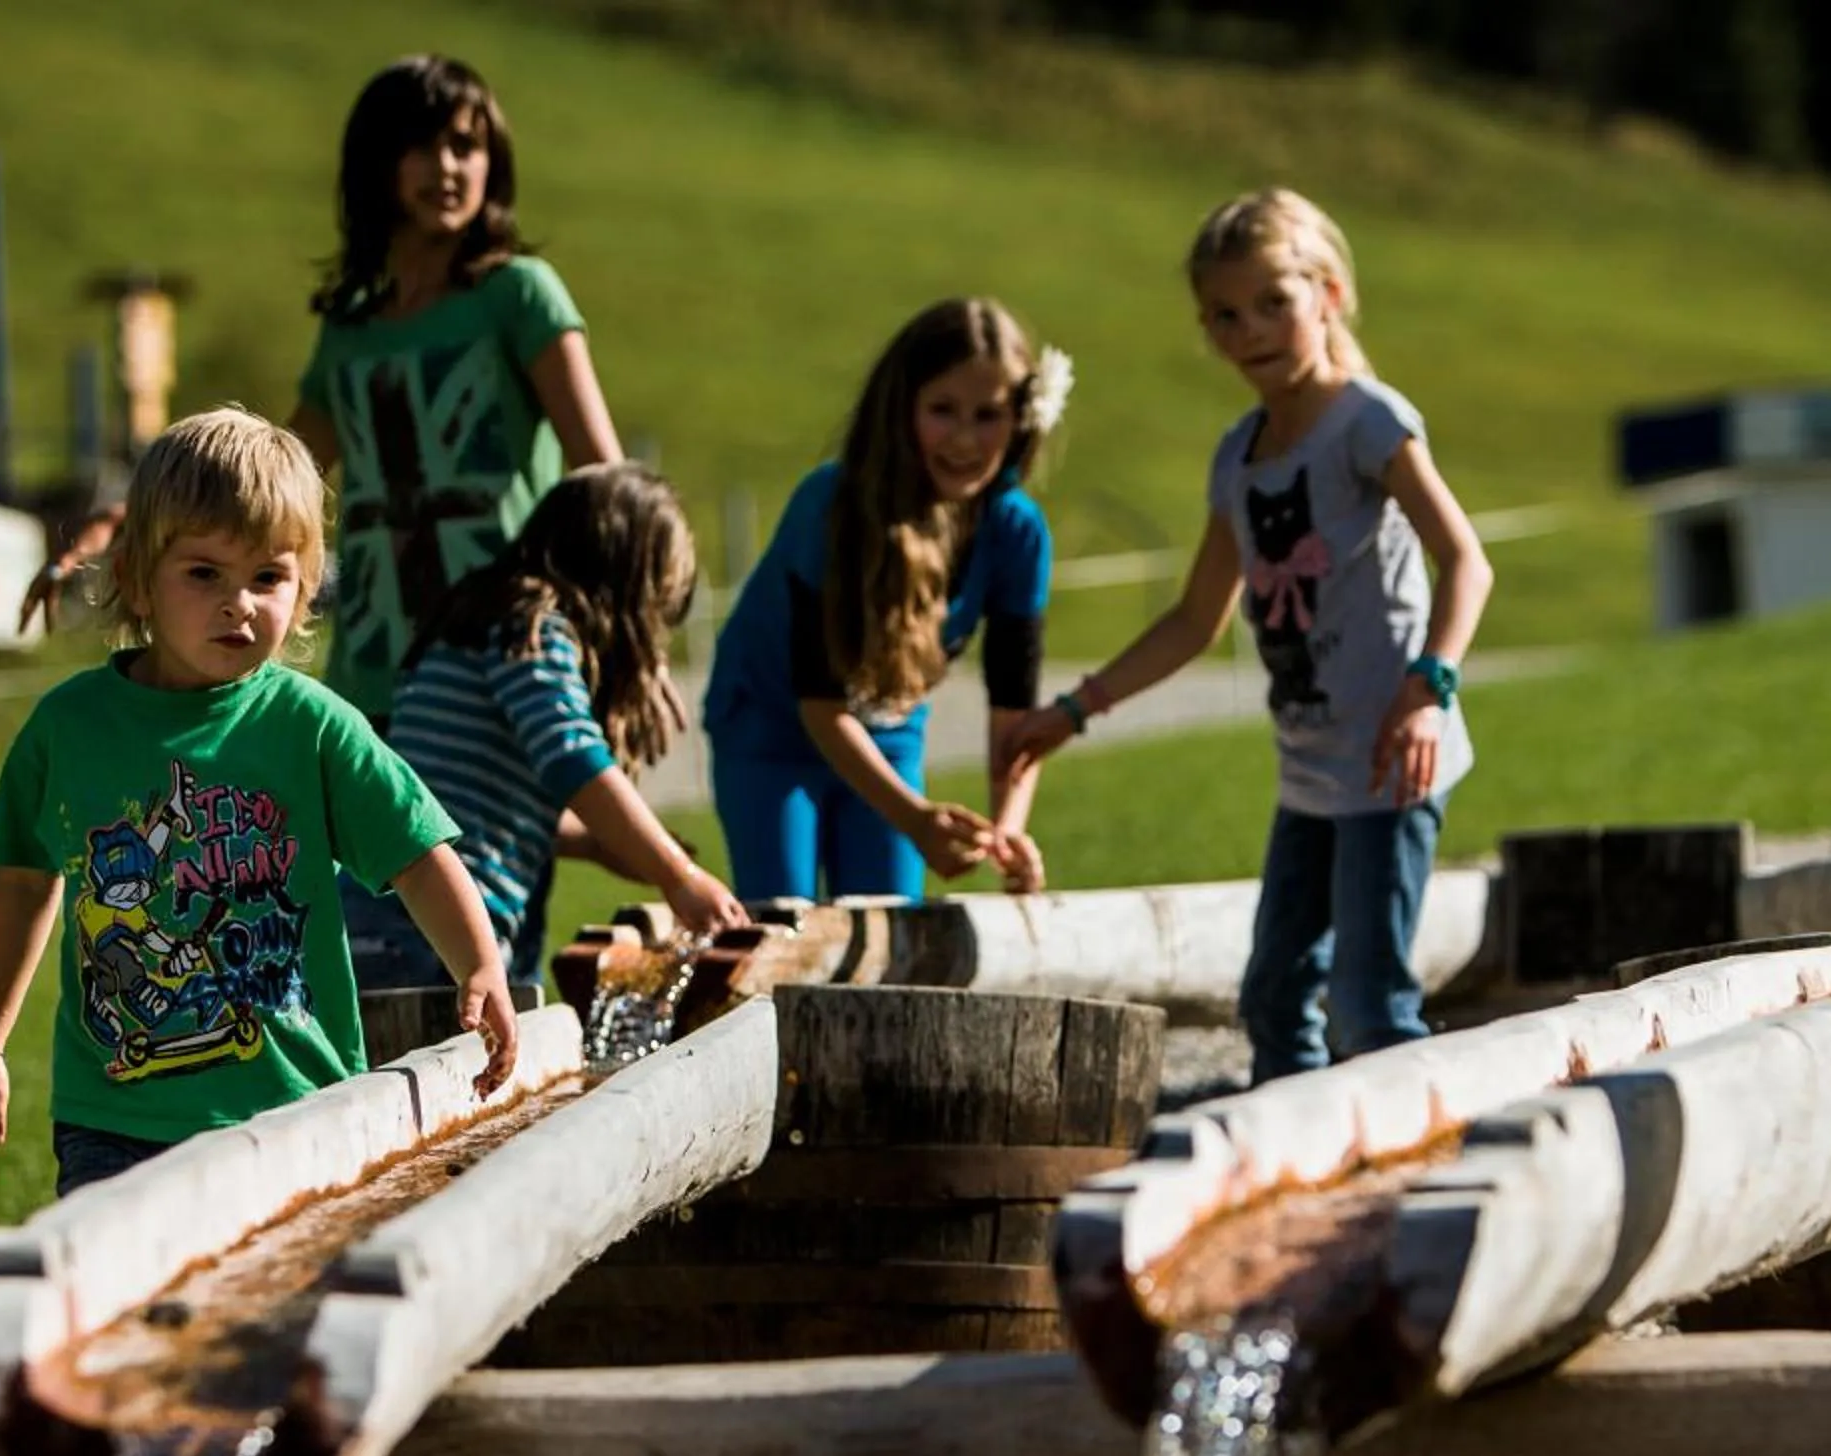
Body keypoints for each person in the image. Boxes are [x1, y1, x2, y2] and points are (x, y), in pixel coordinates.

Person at [0, 407, 516, 1456]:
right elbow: (24, 882)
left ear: (308, 589)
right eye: (205, 573)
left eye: (270, 578)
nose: (239, 604)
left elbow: (421, 849)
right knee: (121, 1363)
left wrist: (481, 965)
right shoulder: (67, 732)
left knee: (281, 1369)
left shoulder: (310, 729)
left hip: (289, 1128)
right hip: (118, 1119)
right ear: (135, 579)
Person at [17, 56, 623, 956]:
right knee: (359, 935)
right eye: (421, 146)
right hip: (374, 661)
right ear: (375, 167)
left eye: (467, 144)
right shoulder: (352, 329)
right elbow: (269, 474)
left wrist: (613, 646)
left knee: (479, 926)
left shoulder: (518, 297)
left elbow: (600, 486)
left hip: (491, 661)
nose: (448, 167)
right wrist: (127, 518)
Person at [997, 190, 1494, 1083]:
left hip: (1391, 766)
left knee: (1370, 1003)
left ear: (1329, 294)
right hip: (1308, 773)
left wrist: (1431, 689)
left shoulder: (1366, 422)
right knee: (1273, 998)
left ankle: (1415, 1177)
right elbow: (1195, 619)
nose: (1251, 330)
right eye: (1225, 315)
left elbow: (1466, 561)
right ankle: (1288, 1164)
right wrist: (1072, 711)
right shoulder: (1240, 456)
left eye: (1274, 302)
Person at [702, 298, 1067, 903]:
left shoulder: (1017, 532)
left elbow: (1013, 713)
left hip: (888, 735)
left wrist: (1007, 833)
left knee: (893, 928)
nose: (966, 439)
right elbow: (819, 704)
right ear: (901, 410)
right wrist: (917, 818)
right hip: (772, 732)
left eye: (989, 415)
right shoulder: (829, 506)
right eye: (942, 411)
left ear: (1022, 419)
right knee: (784, 921)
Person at [355, 462, 752, 989]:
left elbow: (470, 796)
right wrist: (678, 875)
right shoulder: (529, 628)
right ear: (619, 574)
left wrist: (591, 843)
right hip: (430, 927)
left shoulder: (480, 615)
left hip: (385, 915)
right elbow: (572, 757)